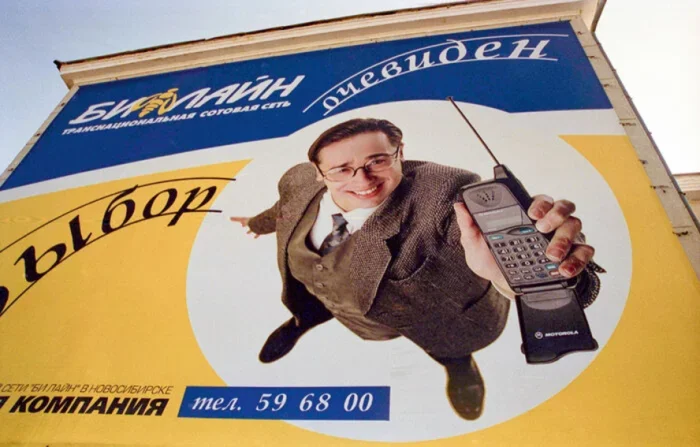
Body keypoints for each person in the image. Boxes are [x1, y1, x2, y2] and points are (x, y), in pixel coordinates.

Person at [230, 118, 599, 420]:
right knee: (312, 303)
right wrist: (257, 224)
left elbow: (524, 252)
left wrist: (543, 270)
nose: (363, 180)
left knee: (450, 347)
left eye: (377, 161)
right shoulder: (298, 179)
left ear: (400, 153)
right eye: (342, 169)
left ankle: (457, 364)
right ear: (318, 172)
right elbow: (285, 207)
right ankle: (304, 319)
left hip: (433, 319)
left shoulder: (448, 194)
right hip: (324, 293)